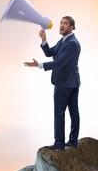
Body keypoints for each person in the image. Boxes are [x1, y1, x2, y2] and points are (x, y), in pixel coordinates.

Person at [24, 16, 81, 151]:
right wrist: (44, 40)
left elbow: (59, 62)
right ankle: (73, 141)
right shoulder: (64, 41)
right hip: (71, 81)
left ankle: (59, 144)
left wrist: (39, 65)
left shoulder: (72, 43)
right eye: (61, 23)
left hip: (65, 83)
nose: (61, 25)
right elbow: (50, 53)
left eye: (65, 24)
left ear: (72, 27)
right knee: (74, 112)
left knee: (60, 113)